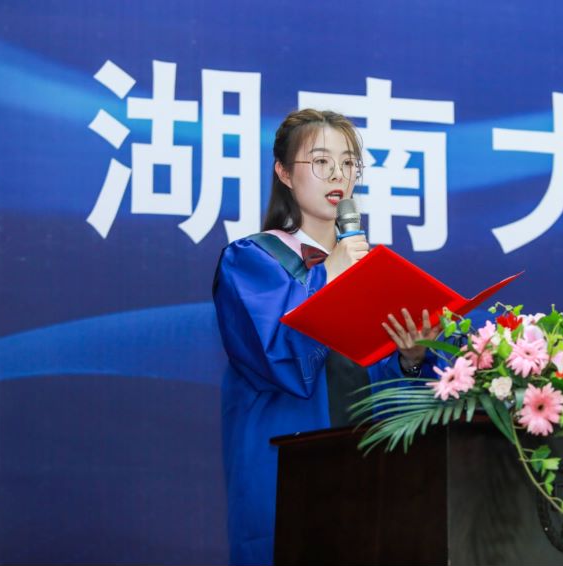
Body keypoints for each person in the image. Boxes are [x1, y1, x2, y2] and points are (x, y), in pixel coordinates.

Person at [212, 108, 440, 566]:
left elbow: (391, 398)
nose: (338, 174)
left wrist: (411, 357)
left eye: (348, 162)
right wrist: (330, 274)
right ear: (284, 173)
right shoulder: (251, 261)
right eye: (320, 161)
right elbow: (273, 357)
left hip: (373, 483)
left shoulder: (373, 274)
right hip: (291, 480)